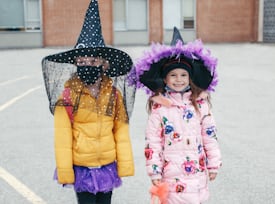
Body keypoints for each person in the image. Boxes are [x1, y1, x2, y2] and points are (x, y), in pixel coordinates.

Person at [41, 1, 135, 203]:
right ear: (75, 64)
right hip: (82, 167)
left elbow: (121, 131)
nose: (87, 65)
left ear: (104, 64)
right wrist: (65, 170)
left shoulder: (114, 95)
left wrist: (125, 163)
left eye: (93, 61)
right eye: (82, 62)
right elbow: (62, 137)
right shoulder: (66, 97)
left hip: (107, 165)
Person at [129, 27, 222, 204]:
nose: (178, 79)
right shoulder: (159, 108)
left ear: (190, 78)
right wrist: (154, 170)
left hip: (197, 174)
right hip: (171, 175)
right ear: (165, 79)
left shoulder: (200, 104)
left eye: (183, 75)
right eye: (173, 75)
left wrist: (214, 163)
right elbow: (153, 142)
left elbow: (210, 136)